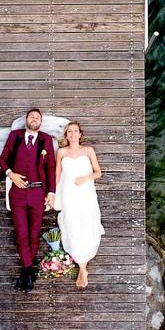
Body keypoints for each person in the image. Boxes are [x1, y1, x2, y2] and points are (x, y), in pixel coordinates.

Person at [0, 108, 57, 292]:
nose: (34, 119)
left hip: (38, 192)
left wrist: (51, 193)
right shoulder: (15, 136)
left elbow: (51, 167)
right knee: (21, 234)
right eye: (31, 116)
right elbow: (3, 159)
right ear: (26, 120)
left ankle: (26, 274)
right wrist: (11, 174)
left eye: (37, 117)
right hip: (18, 193)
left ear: (40, 122)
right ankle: (28, 271)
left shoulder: (45, 139)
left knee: (34, 234)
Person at [54, 121, 104, 288]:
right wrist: (52, 195)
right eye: (70, 131)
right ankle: (83, 268)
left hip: (86, 192)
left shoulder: (88, 150)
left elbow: (98, 172)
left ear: (80, 134)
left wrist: (85, 178)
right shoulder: (61, 152)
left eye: (76, 131)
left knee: (86, 223)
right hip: (69, 193)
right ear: (66, 135)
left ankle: (83, 267)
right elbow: (57, 176)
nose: (73, 134)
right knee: (73, 225)